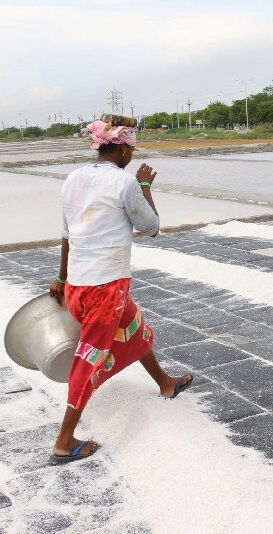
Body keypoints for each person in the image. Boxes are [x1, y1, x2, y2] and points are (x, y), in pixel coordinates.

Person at [48, 114, 193, 463]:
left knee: (132, 326)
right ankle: (64, 440)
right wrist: (145, 186)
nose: (131, 154)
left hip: (80, 284)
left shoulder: (72, 179)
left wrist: (62, 278)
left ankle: (165, 382)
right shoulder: (124, 183)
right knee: (88, 361)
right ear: (123, 149)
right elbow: (152, 227)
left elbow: (67, 235)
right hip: (106, 286)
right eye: (131, 147)